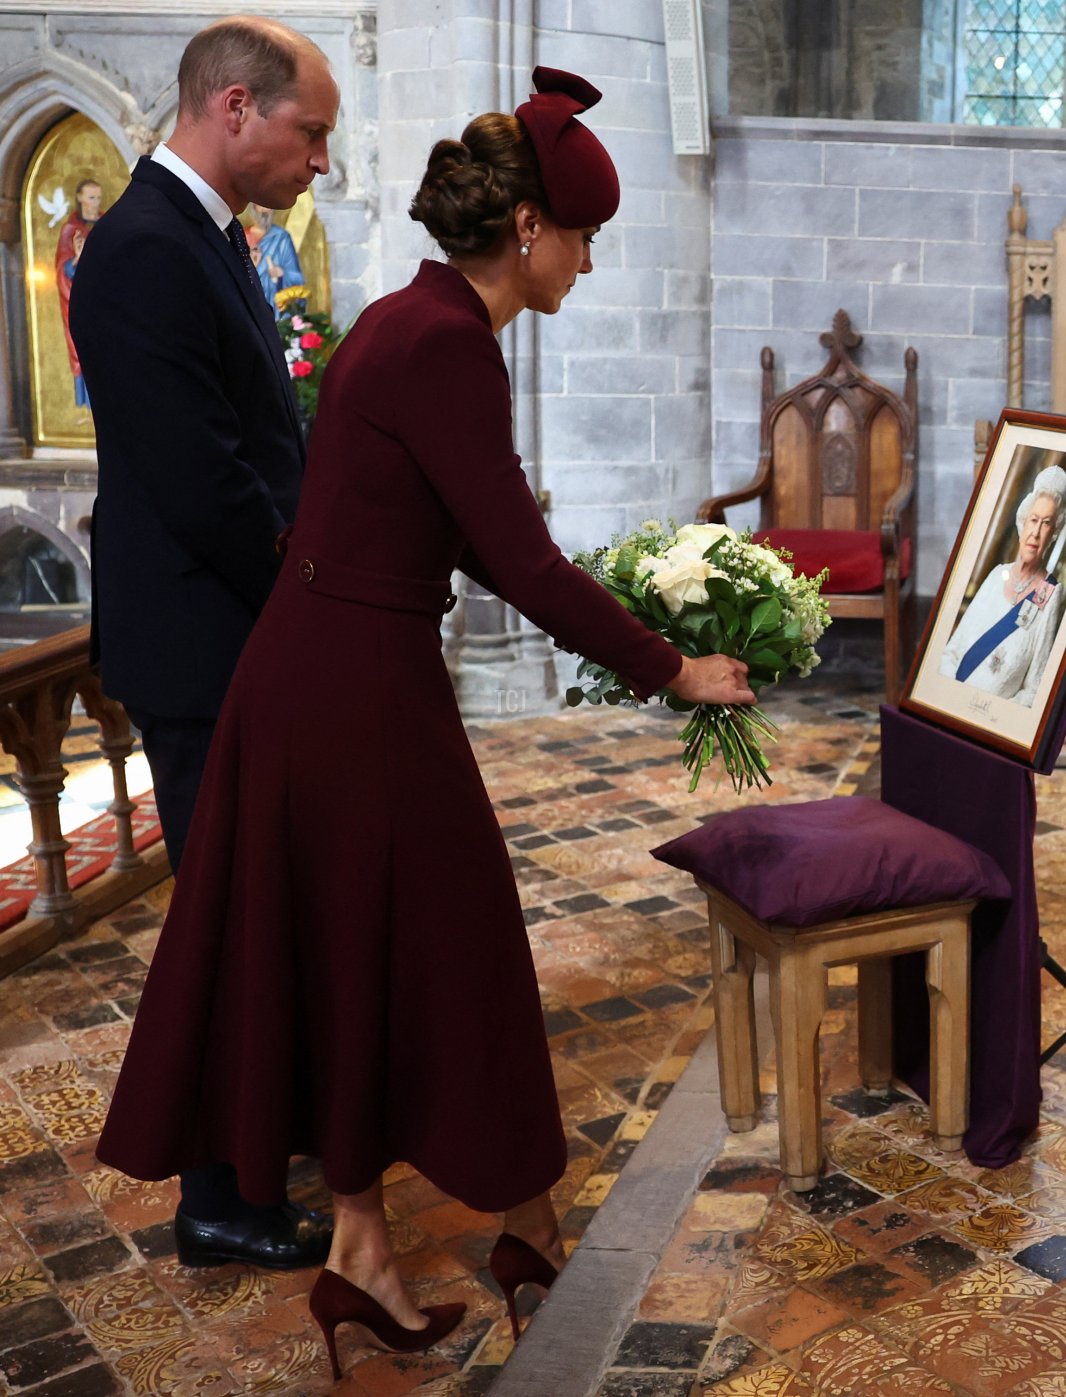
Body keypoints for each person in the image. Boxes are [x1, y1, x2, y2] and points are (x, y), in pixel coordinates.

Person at [93, 66, 755, 1380]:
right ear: (527, 233)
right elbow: (516, 556)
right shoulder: (447, 344)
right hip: (355, 690)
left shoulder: (408, 320)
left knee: (366, 951)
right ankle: (517, 1234)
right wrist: (670, 665)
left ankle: (368, 1252)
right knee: (461, 951)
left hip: (332, 671)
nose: (586, 261)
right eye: (584, 237)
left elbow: (457, 533)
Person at [69, 16, 340, 1272]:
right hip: (202, 646)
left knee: (256, 908)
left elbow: (256, 445)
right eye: (310, 132)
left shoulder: (210, 238)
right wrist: (312, 592)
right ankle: (218, 1196)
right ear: (236, 108)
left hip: (235, 636)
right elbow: (201, 480)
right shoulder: (137, 248)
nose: (318, 161)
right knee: (226, 921)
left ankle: (258, 1141)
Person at [939, 464, 1066, 707]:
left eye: (1046, 523)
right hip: (951, 704)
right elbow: (951, 652)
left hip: (991, 724)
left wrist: (993, 716)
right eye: (1033, 520)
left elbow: (1035, 689)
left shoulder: (1049, 594)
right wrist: (951, 701)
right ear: (1022, 523)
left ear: (1054, 533)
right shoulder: (996, 575)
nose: (1036, 532)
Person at [55, 178, 103, 409]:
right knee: (81, 348)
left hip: (105, 302)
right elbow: (62, 270)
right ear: (81, 198)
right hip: (77, 302)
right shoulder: (70, 230)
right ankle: (84, 405)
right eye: (92, 197)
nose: (96, 202)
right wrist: (76, 259)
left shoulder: (107, 223)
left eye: (98, 198)